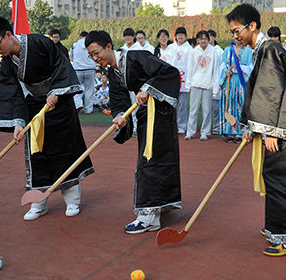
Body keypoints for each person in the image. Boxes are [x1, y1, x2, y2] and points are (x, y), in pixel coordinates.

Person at [227, 3, 286, 256]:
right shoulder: (265, 49)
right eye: (232, 33)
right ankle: (279, 227)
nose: (235, 37)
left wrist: (271, 131)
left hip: (283, 126)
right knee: (276, 176)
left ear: (252, 25)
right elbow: (262, 93)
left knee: (284, 177)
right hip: (283, 123)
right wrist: (251, 127)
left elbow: (272, 93)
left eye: (237, 31)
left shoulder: (269, 49)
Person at [0, 17, 94, 220]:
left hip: (59, 104)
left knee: (64, 151)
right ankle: (38, 202)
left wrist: (57, 91)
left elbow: (61, 65)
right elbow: (12, 92)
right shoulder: (7, 62)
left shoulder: (39, 42)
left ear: (8, 34)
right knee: (37, 154)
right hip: (35, 106)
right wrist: (17, 123)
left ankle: (72, 200)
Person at [85, 30, 182, 234]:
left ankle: (148, 216)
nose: (96, 59)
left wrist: (147, 88)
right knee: (154, 160)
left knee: (149, 161)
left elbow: (169, 72)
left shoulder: (137, 56)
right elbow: (119, 99)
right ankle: (160, 205)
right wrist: (120, 116)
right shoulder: (113, 71)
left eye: (97, 53)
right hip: (145, 115)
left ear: (109, 47)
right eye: (91, 55)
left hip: (160, 115)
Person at [185, 30, 220, 141]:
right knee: (193, 110)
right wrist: (188, 84)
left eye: (205, 39)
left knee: (206, 110)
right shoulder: (194, 52)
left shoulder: (213, 52)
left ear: (208, 40)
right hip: (195, 84)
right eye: (201, 39)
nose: (203, 41)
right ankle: (190, 132)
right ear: (198, 40)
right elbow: (190, 69)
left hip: (208, 85)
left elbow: (216, 70)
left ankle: (205, 133)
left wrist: (215, 88)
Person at [219, 39, 253, 143]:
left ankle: (240, 132)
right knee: (229, 104)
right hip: (229, 81)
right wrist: (226, 71)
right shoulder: (227, 50)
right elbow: (222, 66)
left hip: (241, 81)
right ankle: (228, 130)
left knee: (241, 105)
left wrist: (239, 68)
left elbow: (250, 67)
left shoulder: (248, 51)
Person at [172, 27, 193, 134]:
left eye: (182, 35)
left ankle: (182, 125)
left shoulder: (189, 49)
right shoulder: (171, 47)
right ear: (175, 36)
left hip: (184, 79)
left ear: (185, 36)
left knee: (183, 104)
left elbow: (191, 64)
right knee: (172, 103)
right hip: (172, 78)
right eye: (178, 34)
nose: (180, 37)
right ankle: (172, 124)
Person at [70, 31, 96, 113]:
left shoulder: (74, 45)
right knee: (89, 90)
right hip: (90, 69)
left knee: (77, 88)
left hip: (77, 69)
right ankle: (88, 109)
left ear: (80, 36)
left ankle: (78, 105)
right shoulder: (91, 44)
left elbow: (71, 57)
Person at [208, 29, 224, 135]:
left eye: (210, 37)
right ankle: (207, 126)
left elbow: (222, 67)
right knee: (206, 107)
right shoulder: (204, 50)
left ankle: (217, 126)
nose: (208, 39)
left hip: (216, 80)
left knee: (216, 107)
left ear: (214, 37)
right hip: (205, 81)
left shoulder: (219, 51)